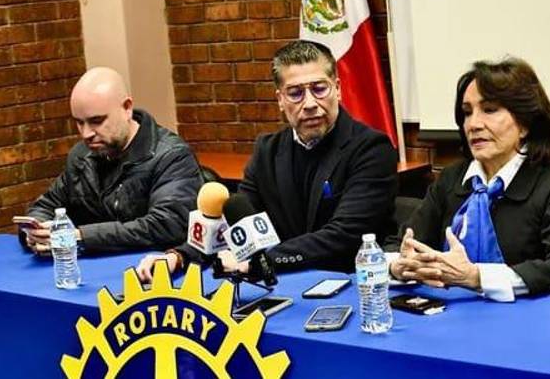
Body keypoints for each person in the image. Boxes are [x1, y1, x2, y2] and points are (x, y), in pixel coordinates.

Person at [136, 41, 398, 282]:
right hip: (282, 284)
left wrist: (260, 262)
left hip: (349, 284)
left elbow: (343, 235)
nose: (309, 103)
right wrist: (179, 256)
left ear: (338, 89)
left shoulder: (371, 148)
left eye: (319, 89)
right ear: (280, 100)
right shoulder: (268, 151)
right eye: (295, 93)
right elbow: (235, 227)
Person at [386, 57, 550, 301]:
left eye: (489, 110)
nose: (473, 124)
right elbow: (400, 244)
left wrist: (475, 277)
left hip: (524, 322)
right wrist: (399, 265)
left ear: (524, 124)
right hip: (450, 317)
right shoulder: (452, 179)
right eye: (467, 113)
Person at [22, 67, 201, 254]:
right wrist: (36, 231)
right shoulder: (82, 156)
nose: (86, 133)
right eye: (79, 122)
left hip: (151, 269)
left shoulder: (171, 156)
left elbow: (166, 225)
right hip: (93, 267)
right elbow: (46, 205)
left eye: (97, 121)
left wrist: (81, 236)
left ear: (127, 108)